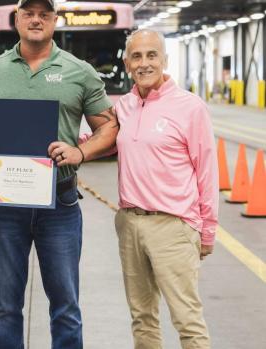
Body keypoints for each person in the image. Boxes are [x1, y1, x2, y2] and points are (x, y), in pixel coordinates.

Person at [0, 1, 119, 348]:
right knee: (5, 307)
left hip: (60, 204)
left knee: (65, 307)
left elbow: (109, 126)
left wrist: (80, 151)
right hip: (6, 205)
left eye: (44, 14)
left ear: (54, 20)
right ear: (16, 19)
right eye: (29, 13)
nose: (36, 20)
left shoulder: (79, 71)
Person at [114, 29, 217, 349]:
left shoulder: (190, 107)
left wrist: (207, 230)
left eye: (151, 55)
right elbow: (102, 142)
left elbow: (207, 170)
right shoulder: (124, 106)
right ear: (127, 63)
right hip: (130, 223)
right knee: (142, 317)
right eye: (136, 56)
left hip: (172, 226)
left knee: (187, 319)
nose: (144, 63)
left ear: (164, 60)